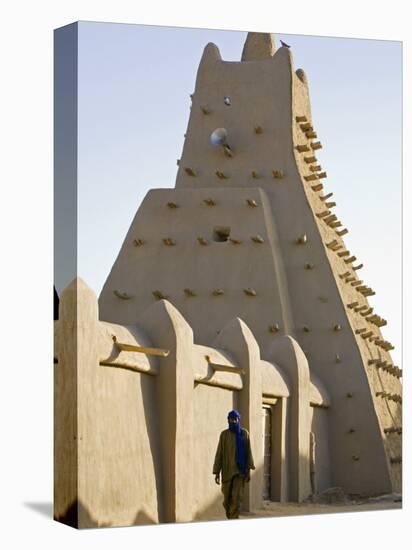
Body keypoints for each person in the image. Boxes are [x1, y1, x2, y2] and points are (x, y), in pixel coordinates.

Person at [213, 409, 255, 519]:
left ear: (239, 420)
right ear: (228, 420)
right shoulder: (224, 435)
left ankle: (234, 519)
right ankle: (230, 517)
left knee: (236, 499)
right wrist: (217, 472)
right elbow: (219, 453)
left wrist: (248, 471)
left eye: (236, 419)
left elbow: (248, 452)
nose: (234, 422)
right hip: (227, 472)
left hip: (240, 472)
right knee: (227, 501)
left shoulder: (244, 434)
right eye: (232, 419)